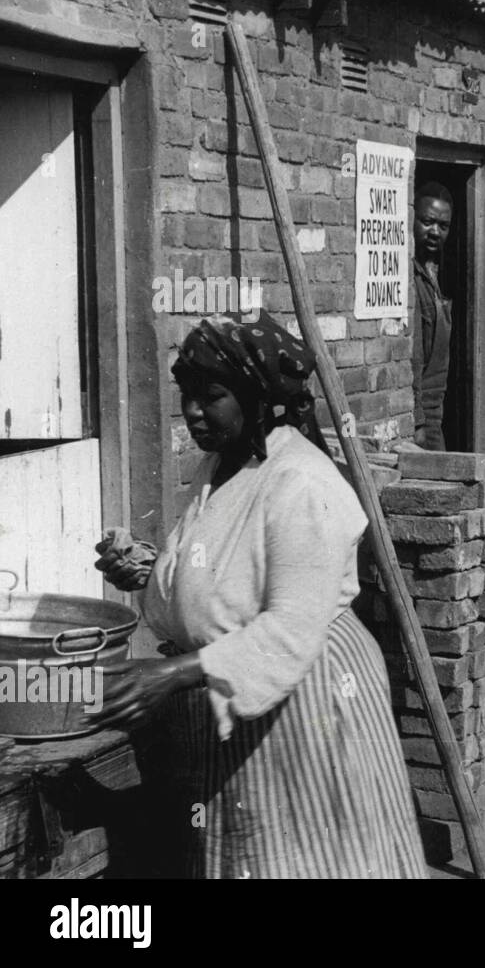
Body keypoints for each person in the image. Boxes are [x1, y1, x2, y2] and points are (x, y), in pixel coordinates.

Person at [93, 316, 427, 879]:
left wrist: (171, 675)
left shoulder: (300, 482)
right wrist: (153, 575)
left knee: (317, 859)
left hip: (308, 697)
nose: (193, 412)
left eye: (212, 396)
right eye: (187, 397)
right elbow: (227, 574)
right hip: (249, 694)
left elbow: (290, 628)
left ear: (255, 396)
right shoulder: (224, 465)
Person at [411, 181, 455, 451]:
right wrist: (418, 423)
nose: (435, 232)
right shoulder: (411, 277)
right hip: (422, 418)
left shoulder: (441, 274)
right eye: (427, 222)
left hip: (437, 413)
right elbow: (413, 359)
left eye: (443, 226)